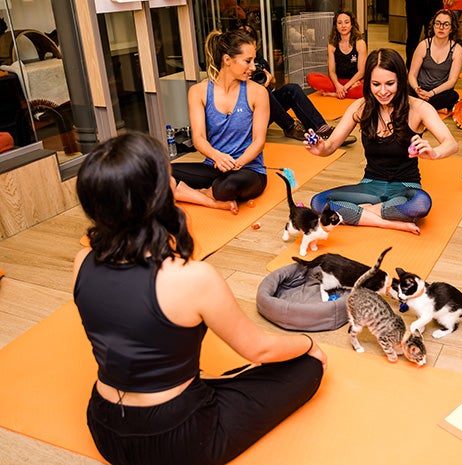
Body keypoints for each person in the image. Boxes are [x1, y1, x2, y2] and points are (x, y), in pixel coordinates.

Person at [73, 132, 326, 465]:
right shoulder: (190, 277)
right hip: (177, 442)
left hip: (104, 427)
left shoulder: (81, 262)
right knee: (307, 369)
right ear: (159, 196)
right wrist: (309, 345)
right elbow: (259, 349)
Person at [305, 48, 458, 235]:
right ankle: (389, 222)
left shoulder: (419, 108)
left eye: (390, 83)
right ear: (367, 83)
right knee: (318, 202)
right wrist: (321, 148)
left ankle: (362, 213)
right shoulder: (360, 107)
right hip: (369, 186)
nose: (383, 91)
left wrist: (435, 153)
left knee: (421, 203)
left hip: (405, 189)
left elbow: (451, 143)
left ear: (400, 81)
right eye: (376, 84)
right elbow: (330, 146)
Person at [171, 29, 269, 214]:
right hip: (214, 166)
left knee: (226, 187)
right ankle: (211, 200)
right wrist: (217, 157)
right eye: (247, 61)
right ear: (227, 60)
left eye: (253, 61)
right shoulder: (198, 92)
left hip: (249, 170)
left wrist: (237, 163)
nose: (254, 67)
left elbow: (259, 141)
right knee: (161, 172)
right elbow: (199, 138)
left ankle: (195, 192)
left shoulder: (257, 92)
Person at [251, 46, 356, 146]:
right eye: (248, 61)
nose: (251, 65)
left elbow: (272, 83)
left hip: (265, 111)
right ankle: (290, 126)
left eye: (255, 49)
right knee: (263, 92)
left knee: (292, 89)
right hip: (251, 119)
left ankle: (321, 129)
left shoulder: (258, 59)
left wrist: (270, 80)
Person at [408, 9, 462, 113]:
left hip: (439, 92)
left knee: (453, 96)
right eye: (438, 23)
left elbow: (452, 81)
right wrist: (417, 89)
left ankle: (418, 106)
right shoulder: (423, 45)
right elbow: (412, 74)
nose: (441, 27)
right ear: (433, 26)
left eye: (446, 24)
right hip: (420, 90)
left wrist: (431, 93)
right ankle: (434, 108)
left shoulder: (456, 49)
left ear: (452, 28)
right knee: (403, 91)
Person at [306, 10, 367, 99]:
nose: (343, 26)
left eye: (346, 22)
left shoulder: (360, 43)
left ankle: (335, 94)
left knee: (367, 88)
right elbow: (331, 71)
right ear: (336, 26)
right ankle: (344, 92)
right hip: (338, 81)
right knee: (311, 78)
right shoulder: (332, 44)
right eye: (339, 23)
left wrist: (346, 87)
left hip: (355, 82)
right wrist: (338, 85)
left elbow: (361, 72)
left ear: (352, 24)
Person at [405, 0, 444, 67]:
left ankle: (432, 66)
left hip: (434, 3)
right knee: (413, 36)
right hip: (414, 4)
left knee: (433, 36)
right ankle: (411, 68)